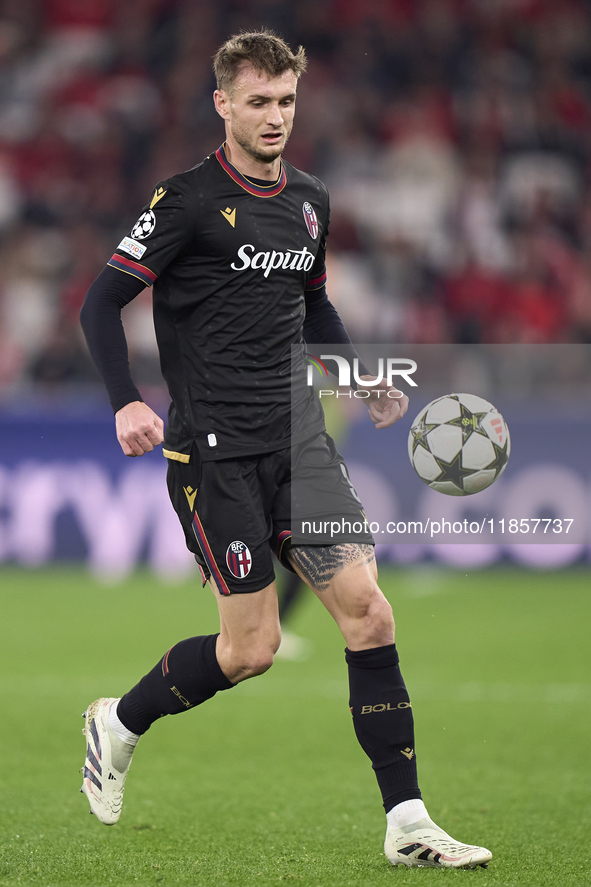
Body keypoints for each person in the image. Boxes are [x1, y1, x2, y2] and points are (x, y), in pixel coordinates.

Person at [79, 30, 492, 870]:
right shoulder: (185, 201)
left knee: (370, 613)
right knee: (250, 650)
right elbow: (99, 305)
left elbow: (315, 309)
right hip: (215, 455)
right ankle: (119, 719)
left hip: (300, 445)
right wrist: (125, 399)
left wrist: (362, 376)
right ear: (223, 104)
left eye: (286, 101)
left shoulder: (308, 200)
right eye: (258, 102)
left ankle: (407, 820)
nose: (275, 117)